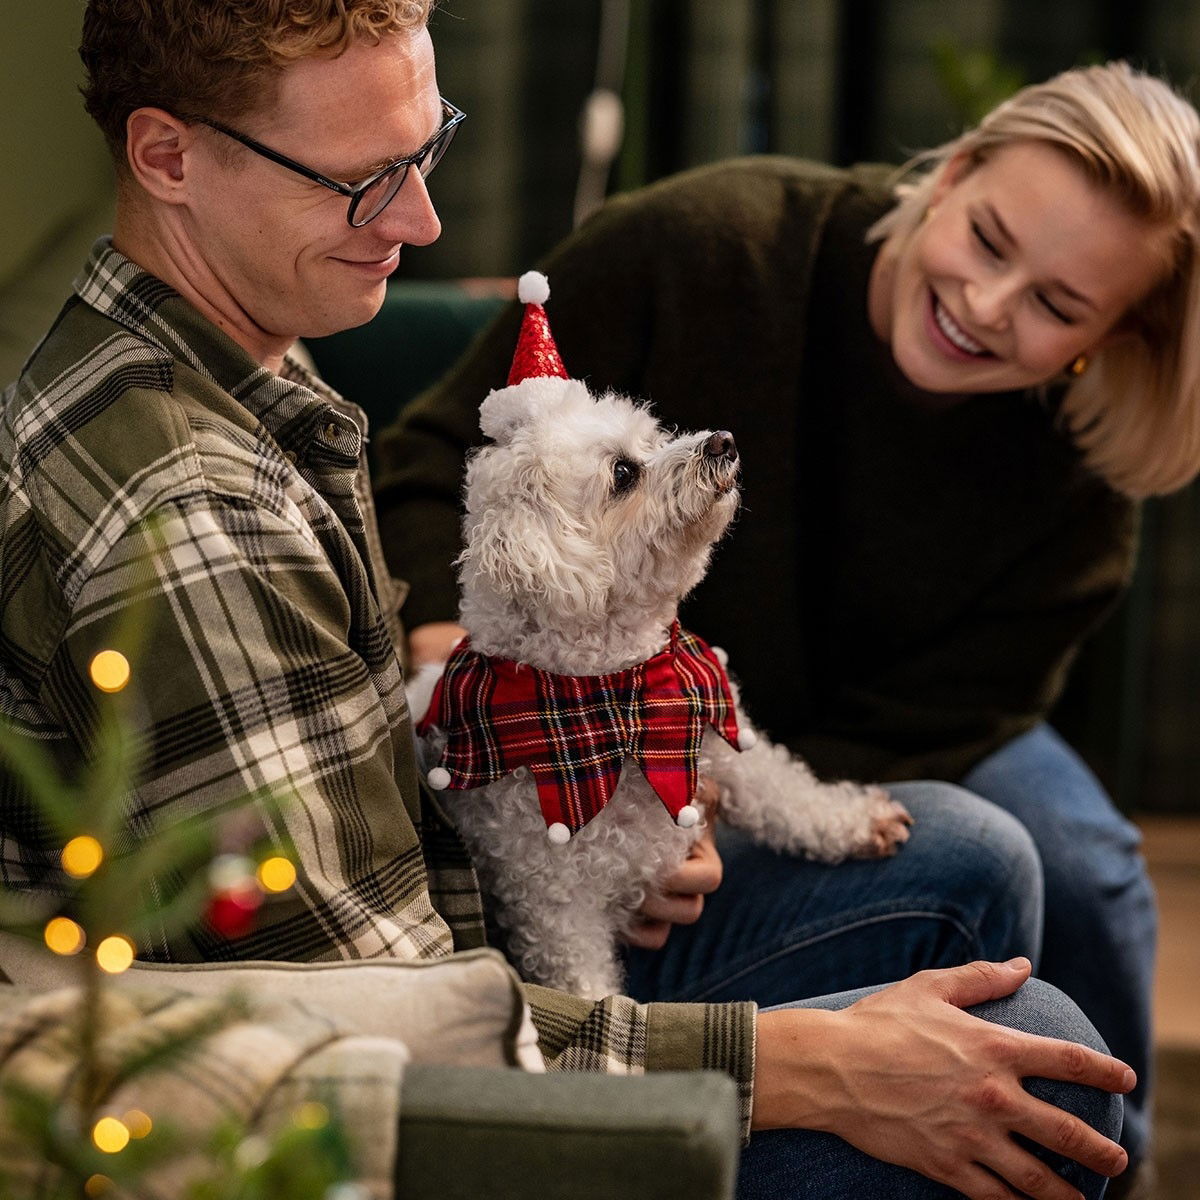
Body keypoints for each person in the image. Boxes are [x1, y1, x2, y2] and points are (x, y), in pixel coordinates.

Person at [0, 5, 1133, 1198]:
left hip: (473, 913)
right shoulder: (195, 521)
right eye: (363, 182)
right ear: (168, 158)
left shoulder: (249, 350)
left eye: (428, 146)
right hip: (401, 1096)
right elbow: (390, 1052)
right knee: (1039, 1060)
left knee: (969, 851)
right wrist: (801, 1065)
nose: (420, 221)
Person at [376, 60, 1200, 1188]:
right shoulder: (704, 245)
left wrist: (695, 805)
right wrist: (454, 659)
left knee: (1085, 861)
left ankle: (1116, 1162)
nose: (988, 306)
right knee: (992, 854)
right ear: (949, 174)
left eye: (1060, 306)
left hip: (842, 740)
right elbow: (424, 465)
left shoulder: (1079, 480)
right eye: (990, 240)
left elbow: (954, 714)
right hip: (566, 708)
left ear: (1105, 338)